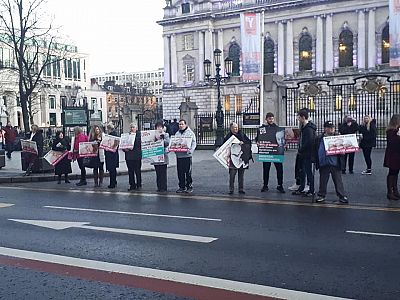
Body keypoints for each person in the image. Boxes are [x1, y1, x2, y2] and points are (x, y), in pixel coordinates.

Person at [314, 121, 348, 204]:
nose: (332, 129)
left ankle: (341, 195)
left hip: (334, 162)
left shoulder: (337, 137)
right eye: (330, 127)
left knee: (337, 180)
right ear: (325, 129)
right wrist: (315, 159)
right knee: (323, 180)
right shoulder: (319, 138)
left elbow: (343, 148)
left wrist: (343, 152)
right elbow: (315, 148)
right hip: (324, 162)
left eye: (333, 127)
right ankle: (321, 195)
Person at [256, 112, 285, 193]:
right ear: (266, 119)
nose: (271, 120)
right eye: (269, 118)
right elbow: (257, 138)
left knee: (279, 169)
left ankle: (280, 185)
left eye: (272, 118)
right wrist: (258, 142)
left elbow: (281, 139)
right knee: (266, 169)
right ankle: (265, 185)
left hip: (276, 153)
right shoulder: (262, 128)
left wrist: (283, 145)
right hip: (266, 152)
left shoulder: (278, 128)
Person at [292, 109, 316, 197]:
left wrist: (301, 149)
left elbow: (309, 142)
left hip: (307, 154)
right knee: (301, 171)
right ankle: (301, 188)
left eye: (298, 117)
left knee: (308, 171)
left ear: (303, 117)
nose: (298, 119)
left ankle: (311, 190)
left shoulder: (309, 129)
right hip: (303, 153)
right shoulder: (304, 127)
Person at [224, 122, 251, 194]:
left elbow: (249, 142)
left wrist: (243, 142)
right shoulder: (228, 136)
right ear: (231, 128)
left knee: (241, 175)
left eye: (237, 127)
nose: (236, 129)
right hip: (232, 159)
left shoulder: (242, 134)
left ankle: (241, 189)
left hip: (241, 157)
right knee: (232, 174)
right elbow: (224, 146)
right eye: (234, 127)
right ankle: (231, 189)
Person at [175, 119, 197, 193]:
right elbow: (174, 143)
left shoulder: (190, 133)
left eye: (182, 124)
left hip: (187, 156)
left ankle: (189, 186)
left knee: (188, 172)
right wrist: (174, 150)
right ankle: (182, 186)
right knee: (180, 172)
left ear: (185, 125)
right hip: (179, 156)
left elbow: (194, 143)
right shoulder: (177, 133)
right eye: (179, 124)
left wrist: (191, 151)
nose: (180, 126)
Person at [383, 114, 400, 200]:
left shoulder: (397, 130)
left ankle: (395, 190)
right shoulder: (391, 131)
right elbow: (393, 143)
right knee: (392, 173)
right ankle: (390, 192)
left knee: (396, 172)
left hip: (397, 154)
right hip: (393, 155)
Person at [152, 120, 170, 192]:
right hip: (156, 156)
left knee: (163, 173)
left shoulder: (166, 135)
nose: (159, 129)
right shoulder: (153, 135)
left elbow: (167, 143)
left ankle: (164, 187)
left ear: (163, 128)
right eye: (157, 127)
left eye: (160, 127)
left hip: (163, 156)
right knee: (158, 173)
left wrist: (162, 139)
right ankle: (159, 187)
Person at [124, 123, 142, 191]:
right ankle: (132, 185)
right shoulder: (127, 135)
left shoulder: (139, 135)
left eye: (133, 127)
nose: (132, 129)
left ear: (136, 128)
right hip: (129, 156)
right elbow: (123, 144)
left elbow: (139, 143)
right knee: (130, 171)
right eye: (131, 127)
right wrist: (124, 149)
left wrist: (132, 138)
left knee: (137, 170)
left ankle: (139, 184)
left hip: (137, 156)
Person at [105, 123, 119, 189]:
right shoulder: (115, 134)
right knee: (113, 169)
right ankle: (114, 181)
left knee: (111, 170)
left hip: (111, 154)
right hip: (114, 154)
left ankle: (112, 183)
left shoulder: (110, 135)